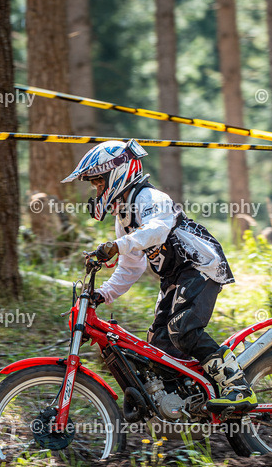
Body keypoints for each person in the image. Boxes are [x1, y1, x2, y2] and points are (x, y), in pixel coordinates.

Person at [61, 139, 257, 409]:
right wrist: (103, 293)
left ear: (116, 173)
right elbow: (131, 267)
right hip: (174, 278)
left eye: (98, 183)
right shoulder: (124, 218)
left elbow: (157, 229)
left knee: (183, 329)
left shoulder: (149, 198)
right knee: (158, 348)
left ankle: (237, 386)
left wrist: (118, 246)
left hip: (199, 265)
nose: (97, 190)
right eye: (95, 186)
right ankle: (188, 400)